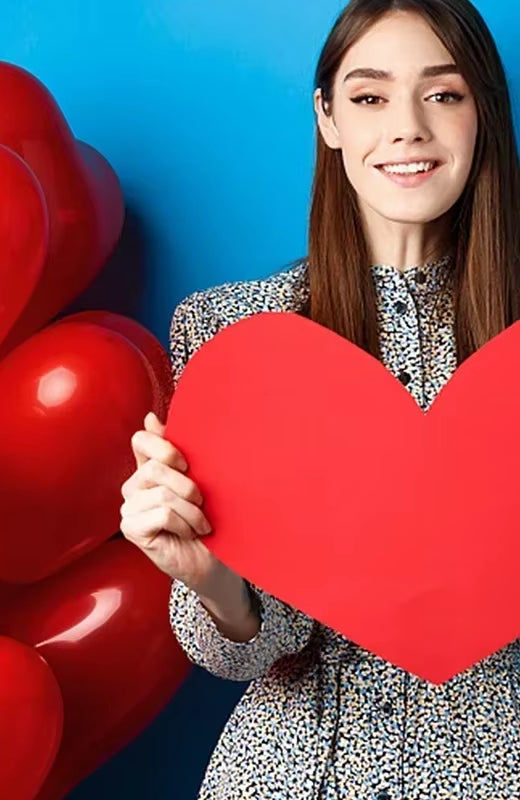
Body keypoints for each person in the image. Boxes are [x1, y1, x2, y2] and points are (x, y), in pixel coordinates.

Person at [119, 0, 520, 797]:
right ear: (328, 117)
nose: (406, 127)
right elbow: (244, 654)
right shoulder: (233, 336)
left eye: (443, 94)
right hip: (298, 773)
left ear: (484, 114)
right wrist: (209, 579)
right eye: (370, 96)